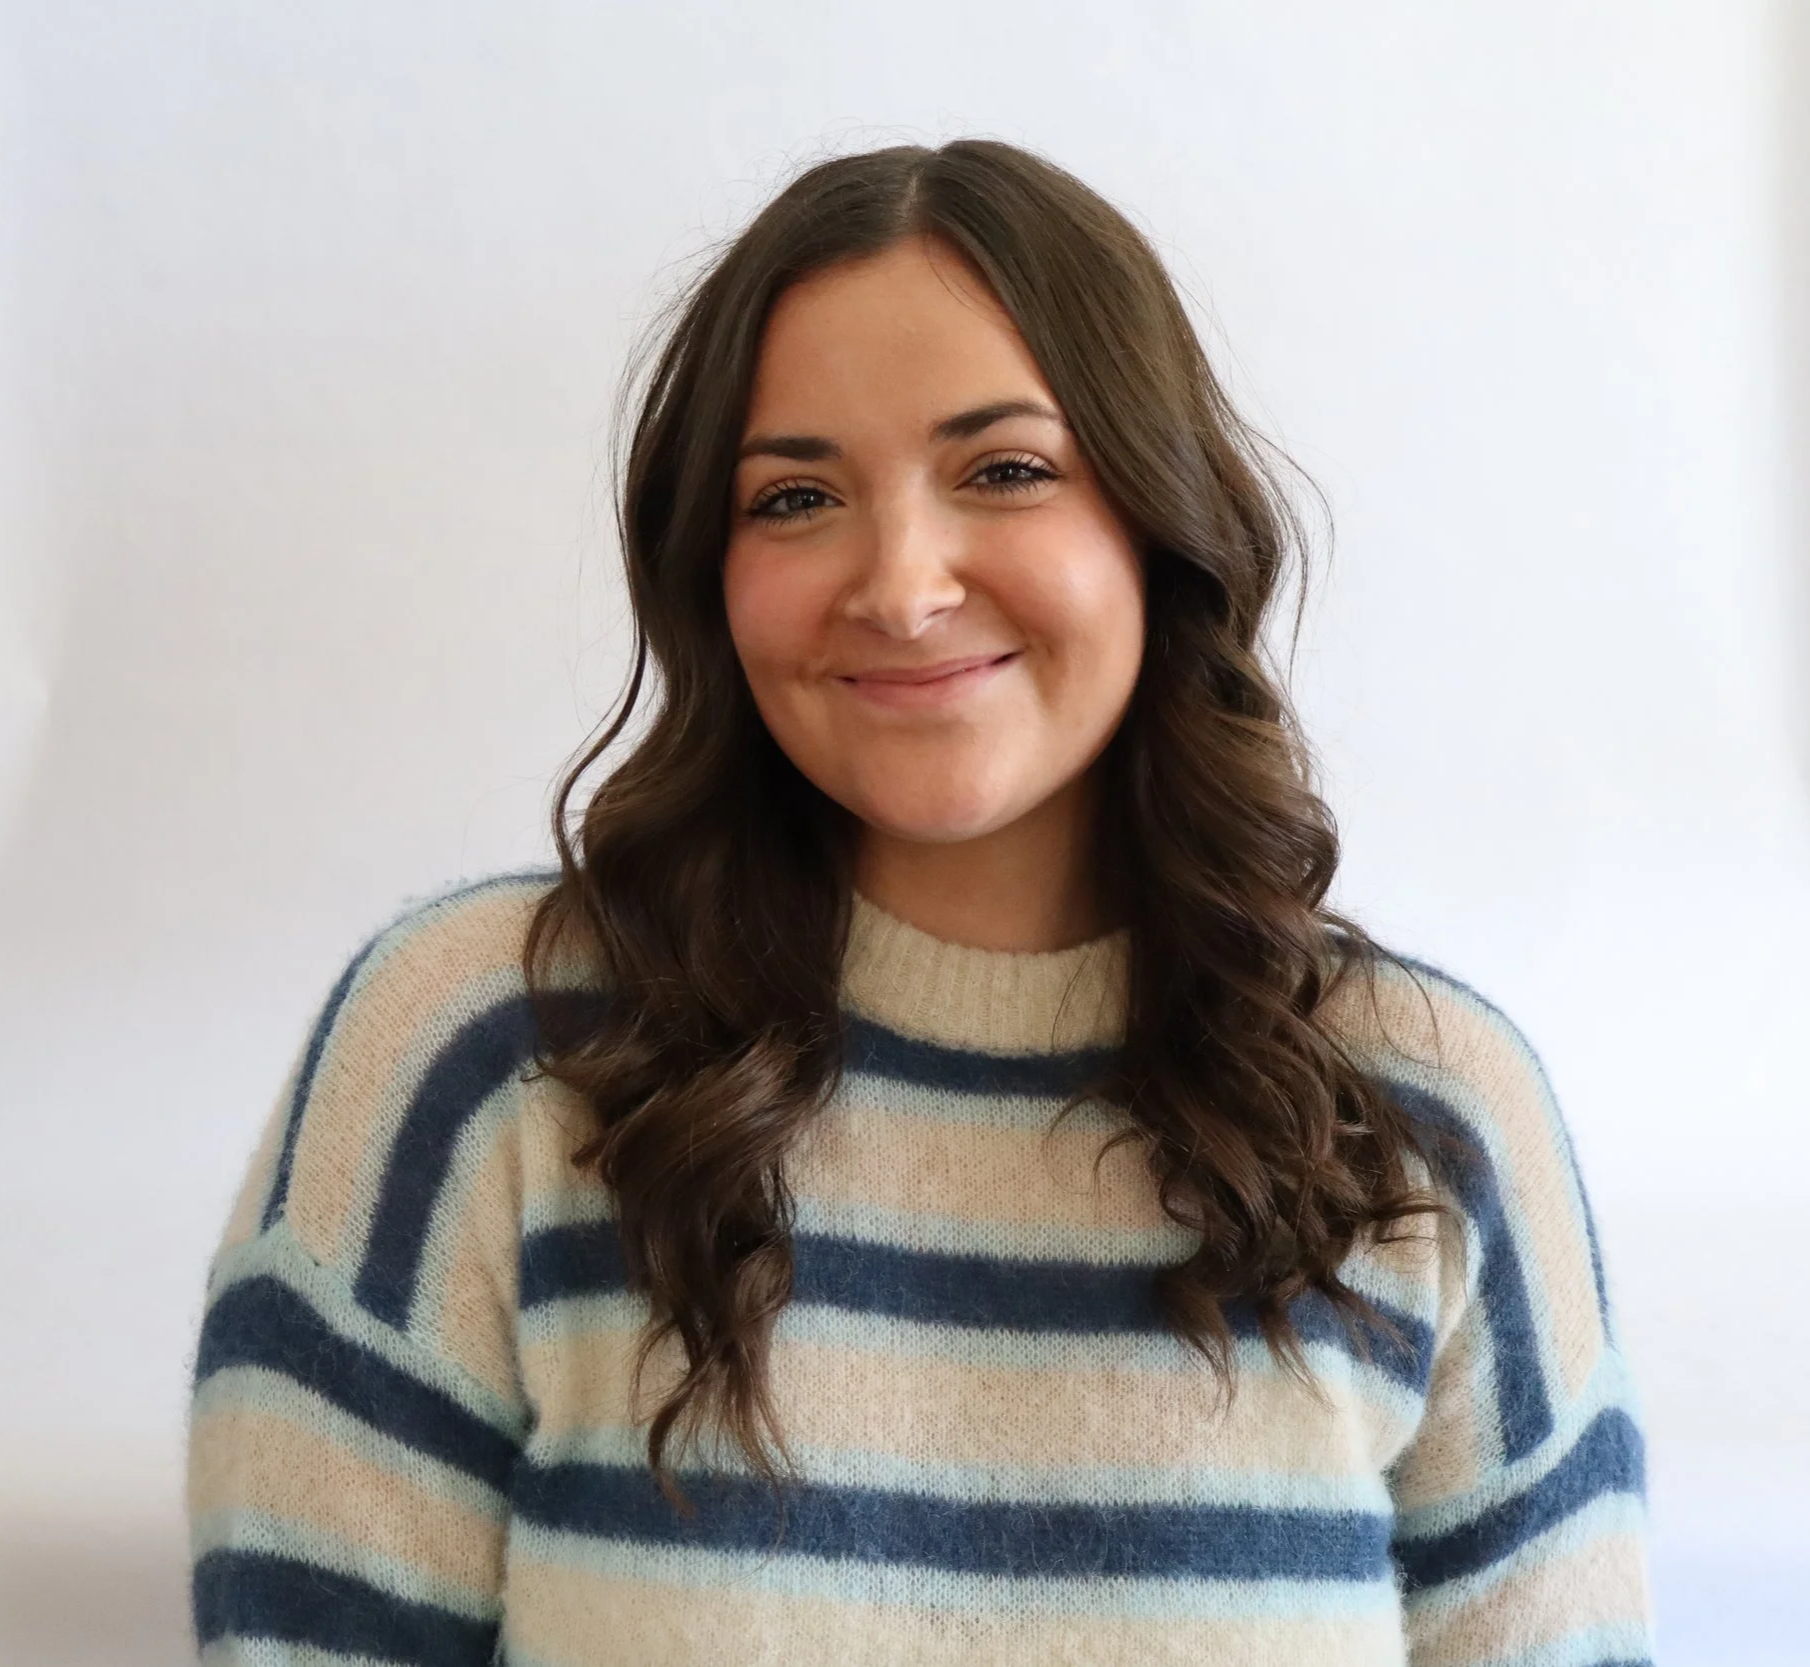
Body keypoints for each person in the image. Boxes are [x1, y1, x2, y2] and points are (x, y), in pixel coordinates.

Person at [187, 139, 1653, 1665]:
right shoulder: (479, 1056)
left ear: (1157, 521)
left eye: (1004, 470)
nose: (897, 582)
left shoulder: (1423, 1113)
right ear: (707, 570)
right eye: (796, 494)